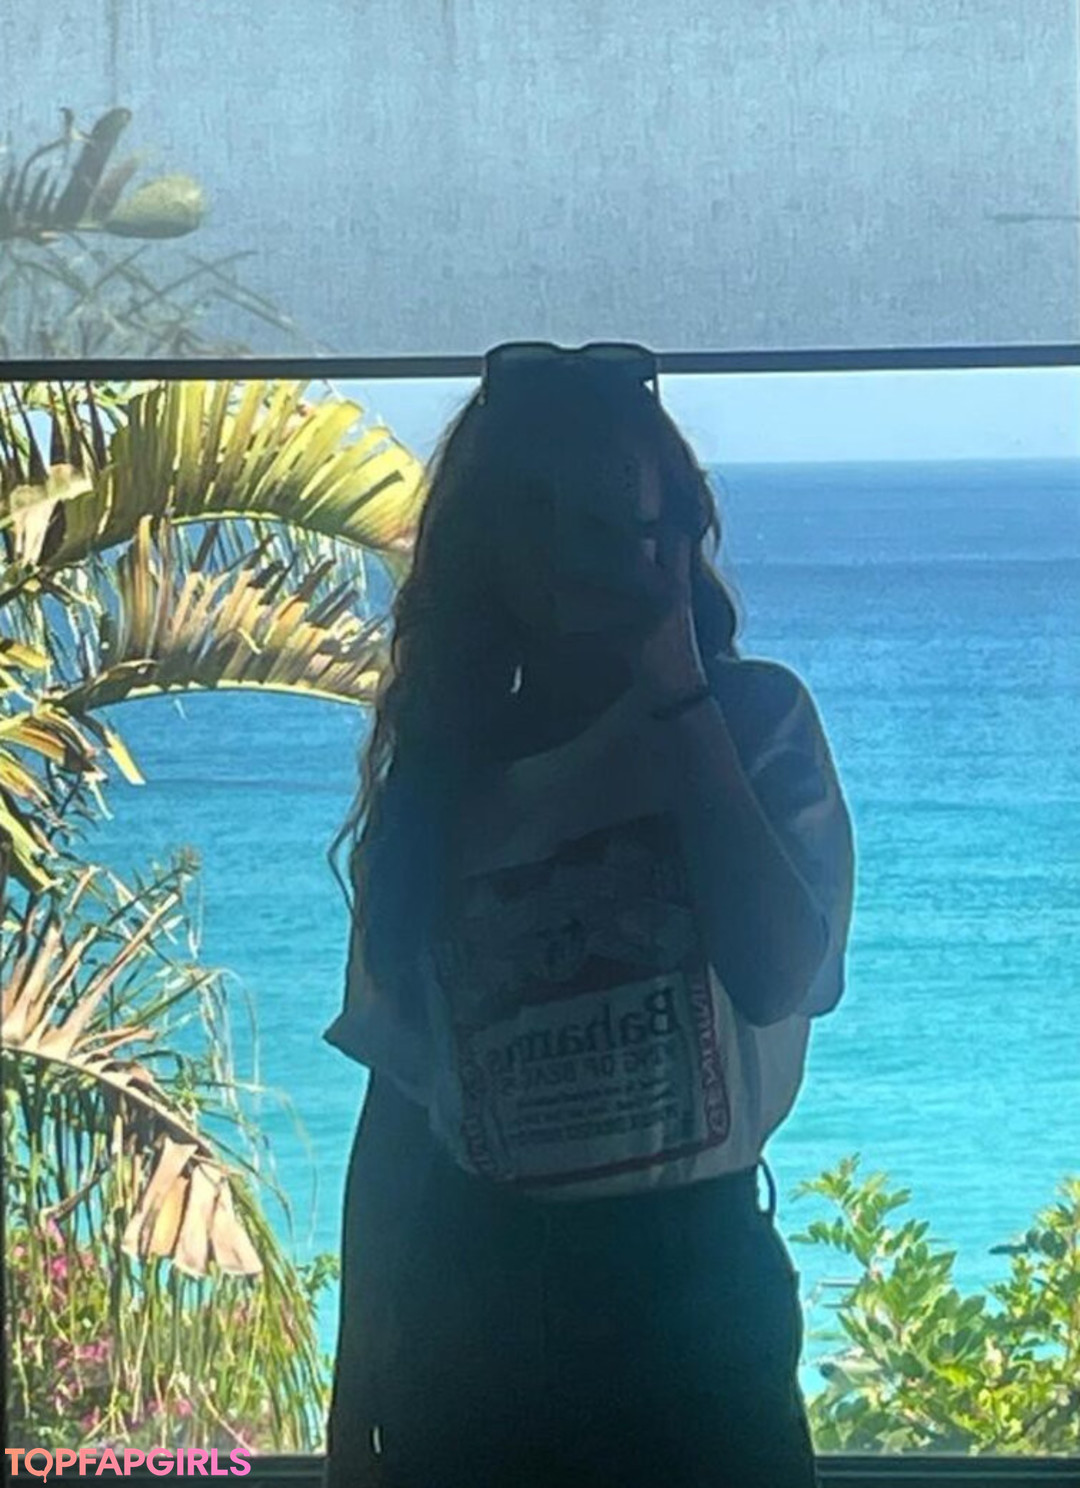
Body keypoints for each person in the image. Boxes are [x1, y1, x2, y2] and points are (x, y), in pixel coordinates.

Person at [322, 343, 856, 1488]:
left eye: (611, 514)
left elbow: (779, 974)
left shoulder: (755, 724)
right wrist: (351, 1401)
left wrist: (676, 690)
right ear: (486, 548)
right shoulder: (443, 780)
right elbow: (397, 1109)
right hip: (474, 1303)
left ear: (673, 529)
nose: (574, 547)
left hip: (695, 1299)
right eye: (536, 511)